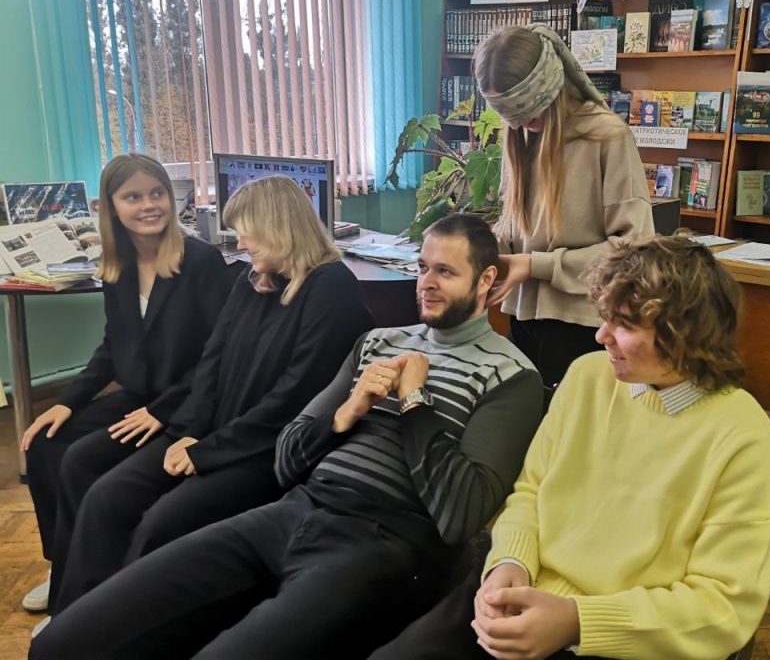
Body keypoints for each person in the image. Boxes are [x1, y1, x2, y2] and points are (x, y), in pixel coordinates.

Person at [32, 213, 545, 660]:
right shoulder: (378, 343)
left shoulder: (510, 375)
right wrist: (347, 411)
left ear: (487, 279)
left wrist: (414, 403)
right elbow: (287, 457)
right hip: (293, 511)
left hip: (384, 543)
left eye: (445, 272)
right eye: (423, 268)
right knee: (64, 641)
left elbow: (459, 516)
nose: (426, 284)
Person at [369, 234, 770, 660]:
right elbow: (530, 491)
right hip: (520, 593)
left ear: (686, 335)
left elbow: (722, 608)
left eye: (624, 325)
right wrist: (509, 562)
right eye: (605, 318)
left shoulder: (744, 437)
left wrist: (577, 621)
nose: (602, 335)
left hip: (623, 641)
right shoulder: (588, 376)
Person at [45, 175, 376, 620]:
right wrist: (189, 431)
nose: (241, 244)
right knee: (107, 497)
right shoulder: (252, 278)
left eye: (248, 232)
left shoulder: (332, 288)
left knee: (162, 523)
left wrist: (206, 451)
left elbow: (291, 399)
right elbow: (211, 364)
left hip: (263, 450)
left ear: (279, 227)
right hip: (209, 433)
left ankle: (124, 628)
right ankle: (73, 621)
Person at [20, 153, 232, 618]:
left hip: (185, 402)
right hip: (139, 396)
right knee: (44, 444)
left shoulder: (200, 261)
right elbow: (112, 347)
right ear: (111, 207)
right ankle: (64, 566)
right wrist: (67, 402)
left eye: (157, 193)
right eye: (133, 197)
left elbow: (218, 357)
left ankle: (80, 598)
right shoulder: (117, 265)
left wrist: (163, 410)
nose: (149, 205)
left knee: (79, 460)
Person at [475, 23, 654, 391]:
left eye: (526, 111)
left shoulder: (607, 136)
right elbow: (516, 229)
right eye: (510, 116)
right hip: (523, 319)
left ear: (548, 87)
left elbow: (634, 250)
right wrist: (476, 254)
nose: (521, 123)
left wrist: (536, 265)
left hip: (585, 325)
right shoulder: (522, 136)